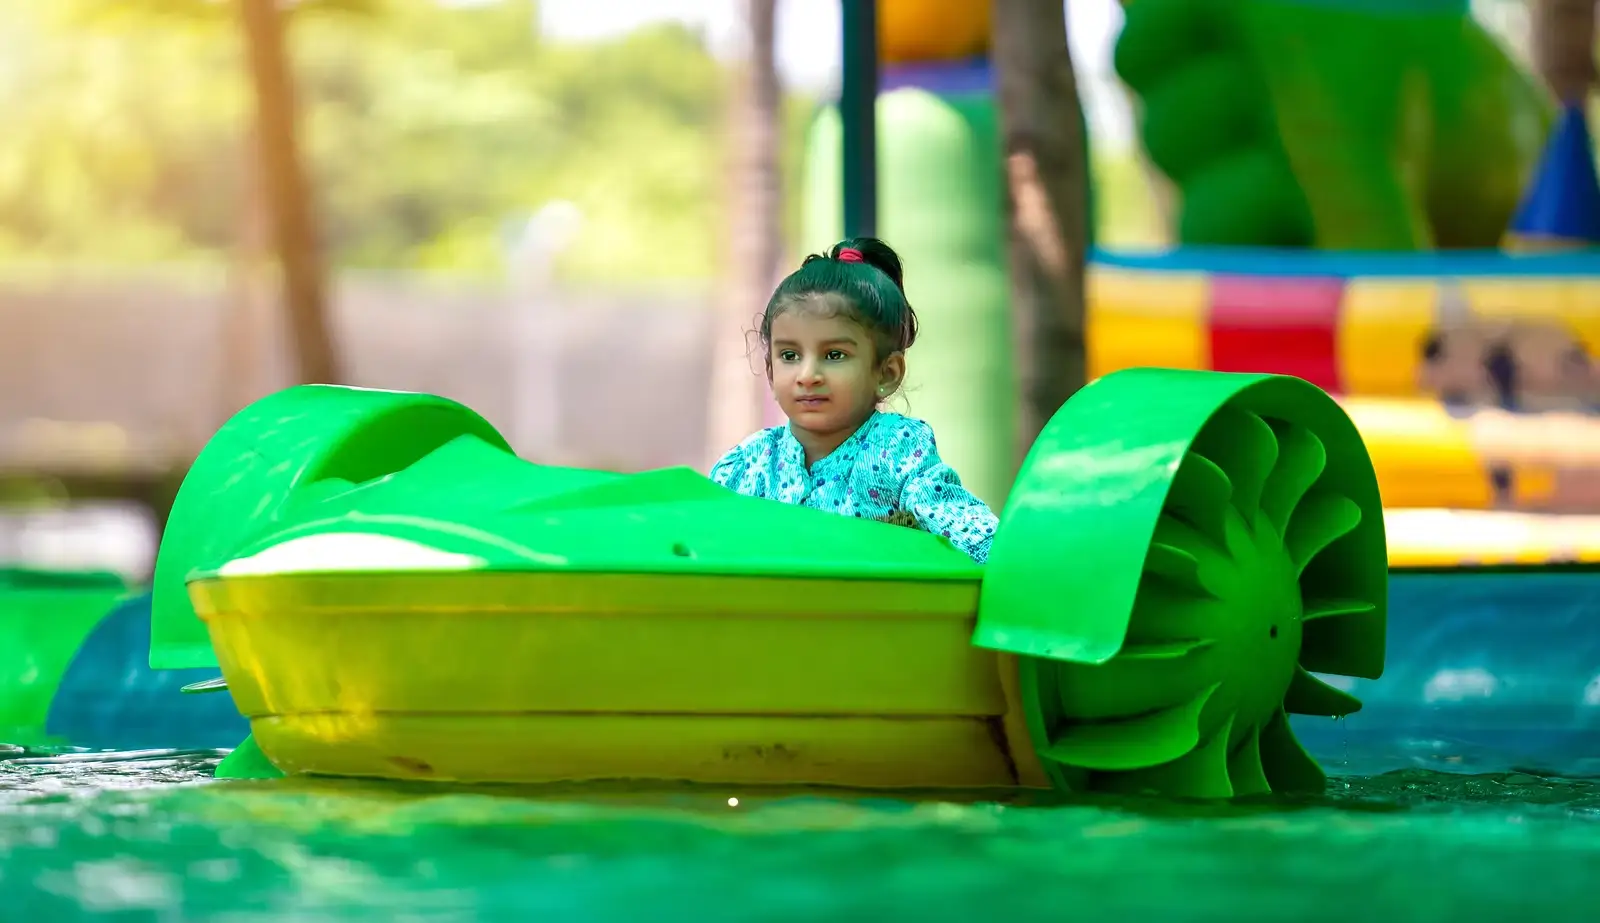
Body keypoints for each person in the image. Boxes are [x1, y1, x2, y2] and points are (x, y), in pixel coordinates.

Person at [708, 237, 999, 562]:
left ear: (886, 374)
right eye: (789, 355)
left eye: (834, 355)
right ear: (772, 373)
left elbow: (959, 523)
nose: (807, 375)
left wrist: (1018, 561)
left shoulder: (896, 450)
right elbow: (699, 541)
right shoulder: (750, 463)